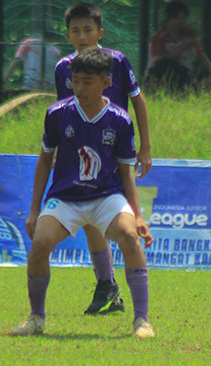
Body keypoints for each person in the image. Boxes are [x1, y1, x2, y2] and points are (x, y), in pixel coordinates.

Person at [14, 47, 154, 339]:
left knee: (129, 236)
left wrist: (138, 216)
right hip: (66, 197)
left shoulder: (119, 120)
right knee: (39, 245)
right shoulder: (56, 115)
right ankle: (36, 318)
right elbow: (44, 162)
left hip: (106, 196)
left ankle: (142, 321)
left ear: (106, 83)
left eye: (86, 82)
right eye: (75, 81)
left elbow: (125, 174)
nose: (78, 88)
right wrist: (34, 209)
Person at [54, 1, 151, 317]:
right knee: (90, 219)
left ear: (100, 32)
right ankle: (107, 285)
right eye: (76, 31)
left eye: (88, 30)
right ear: (68, 34)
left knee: (123, 225)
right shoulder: (63, 69)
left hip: (115, 153)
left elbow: (138, 102)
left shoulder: (117, 62)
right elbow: (63, 115)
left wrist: (145, 147)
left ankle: (128, 298)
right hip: (82, 154)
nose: (82, 36)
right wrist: (59, 151)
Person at [145, 1, 211, 91]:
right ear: (170, 18)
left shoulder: (189, 34)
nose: (181, 22)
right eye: (178, 18)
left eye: (183, 18)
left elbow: (200, 54)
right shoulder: (159, 36)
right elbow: (162, 61)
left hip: (185, 74)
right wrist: (182, 47)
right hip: (162, 75)